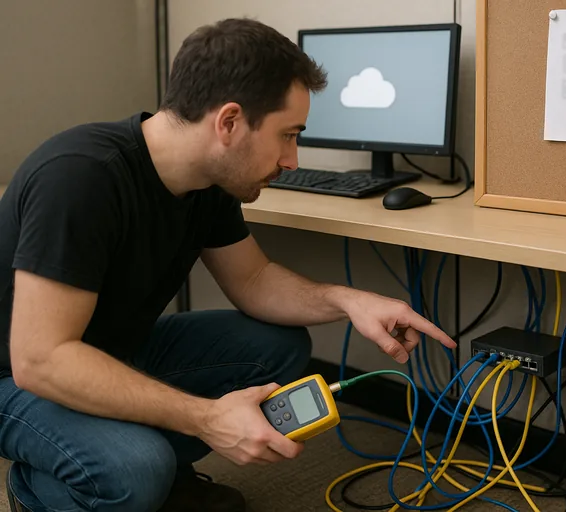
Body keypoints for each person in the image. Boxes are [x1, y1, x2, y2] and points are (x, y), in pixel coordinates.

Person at [0, 17, 456, 512]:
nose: (292, 160)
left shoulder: (206, 184)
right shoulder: (81, 178)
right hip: (15, 377)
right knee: (136, 467)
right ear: (229, 122)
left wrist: (348, 301)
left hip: (113, 349)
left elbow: (254, 280)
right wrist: (206, 418)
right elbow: (40, 360)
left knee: (276, 346)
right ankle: (42, 489)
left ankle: (144, 469)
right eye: (287, 135)